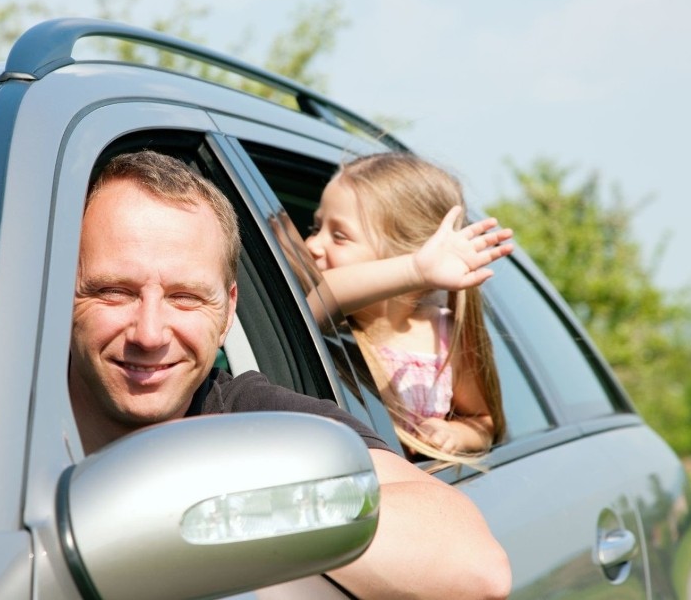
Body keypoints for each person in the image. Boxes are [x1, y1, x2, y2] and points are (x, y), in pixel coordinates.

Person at [67, 150, 511, 600]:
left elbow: (478, 569)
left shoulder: (254, 417)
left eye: (186, 298)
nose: (150, 332)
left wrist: (212, 513)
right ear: (61, 291)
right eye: (114, 292)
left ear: (228, 314)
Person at [304, 152, 512, 464]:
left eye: (339, 236)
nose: (312, 244)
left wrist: (455, 434)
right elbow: (325, 297)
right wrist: (414, 269)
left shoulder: (443, 336)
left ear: (411, 252)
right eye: (316, 226)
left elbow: (482, 421)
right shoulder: (326, 323)